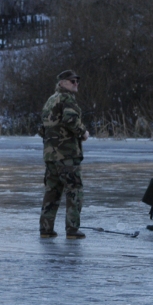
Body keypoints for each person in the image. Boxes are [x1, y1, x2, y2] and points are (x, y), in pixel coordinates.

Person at [38, 70, 89, 239]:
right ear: (61, 83)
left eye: (77, 81)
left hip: (50, 155)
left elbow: (41, 128)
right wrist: (82, 132)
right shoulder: (66, 98)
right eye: (71, 81)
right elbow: (70, 120)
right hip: (66, 154)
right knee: (74, 189)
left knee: (52, 191)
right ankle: (72, 229)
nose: (75, 84)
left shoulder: (50, 100)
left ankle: (46, 229)